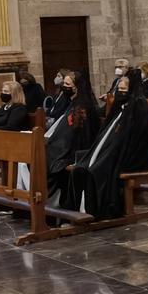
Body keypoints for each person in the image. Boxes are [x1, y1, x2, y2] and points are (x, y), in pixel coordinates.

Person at [64, 69, 148, 219]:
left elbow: (137, 140)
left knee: (97, 169)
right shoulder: (120, 108)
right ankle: (80, 209)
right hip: (115, 151)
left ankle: (96, 209)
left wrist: (113, 153)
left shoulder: (139, 110)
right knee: (81, 167)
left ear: (132, 90)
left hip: (132, 156)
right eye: (118, 90)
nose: (120, 93)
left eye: (124, 90)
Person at [43, 70, 101, 202]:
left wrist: (56, 144)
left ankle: (48, 201)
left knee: (48, 157)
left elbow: (81, 136)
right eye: (64, 83)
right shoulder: (73, 103)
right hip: (67, 146)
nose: (64, 86)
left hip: (78, 151)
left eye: (67, 84)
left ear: (77, 87)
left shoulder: (82, 107)